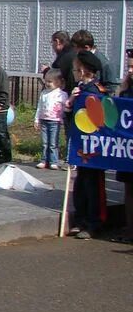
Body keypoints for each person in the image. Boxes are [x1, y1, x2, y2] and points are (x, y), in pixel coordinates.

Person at [67, 51, 108, 240]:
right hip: (80, 145)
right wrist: (71, 103)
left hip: (94, 147)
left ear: (83, 70)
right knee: (81, 183)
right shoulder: (80, 90)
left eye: (76, 68)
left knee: (93, 184)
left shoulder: (94, 91)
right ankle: (81, 219)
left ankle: (94, 222)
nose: (74, 72)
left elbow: (99, 119)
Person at [115, 49, 133, 240]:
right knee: (128, 190)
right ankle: (129, 228)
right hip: (128, 150)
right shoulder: (127, 90)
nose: (131, 70)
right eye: (128, 66)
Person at [34, 70, 68, 170]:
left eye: (50, 81)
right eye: (46, 81)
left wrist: (63, 117)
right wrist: (37, 119)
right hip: (44, 120)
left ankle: (54, 161)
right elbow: (39, 107)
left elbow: (66, 107)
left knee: (53, 143)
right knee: (45, 143)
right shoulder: (44, 93)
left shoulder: (61, 94)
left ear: (57, 82)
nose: (47, 84)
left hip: (55, 121)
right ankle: (44, 160)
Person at [71, 29, 117, 95]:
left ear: (86, 47)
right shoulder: (79, 58)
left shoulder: (104, 63)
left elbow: (111, 89)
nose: (74, 50)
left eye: (75, 47)